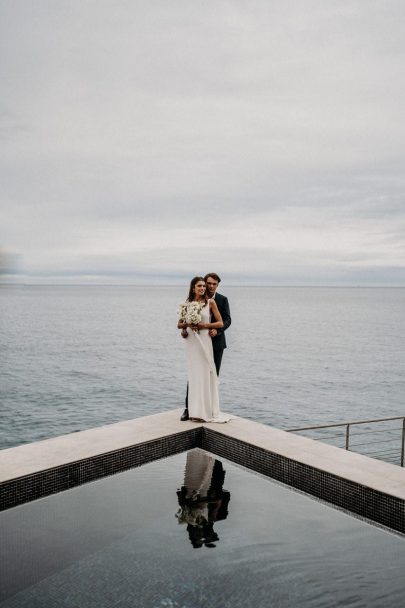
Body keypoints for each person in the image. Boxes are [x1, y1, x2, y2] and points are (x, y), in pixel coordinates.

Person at [177, 276, 232, 423]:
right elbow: (181, 323)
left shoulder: (219, 300)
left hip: (215, 342)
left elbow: (226, 321)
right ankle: (190, 409)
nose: (209, 286)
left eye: (214, 284)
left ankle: (209, 409)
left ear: (217, 285)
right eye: (207, 284)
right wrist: (186, 329)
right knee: (194, 375)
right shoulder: (189, 303)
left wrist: (213, 330)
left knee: (211, 376)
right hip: (194, 341)